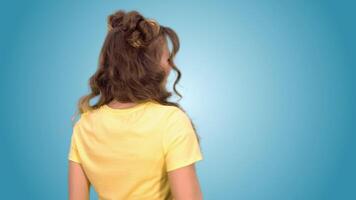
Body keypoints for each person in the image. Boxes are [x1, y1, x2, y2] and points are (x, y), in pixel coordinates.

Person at [67, 9, 204, 200]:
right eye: (167, 59)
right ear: (150, 66)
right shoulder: (171, 122)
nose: (171, 66)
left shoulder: (84, 126)